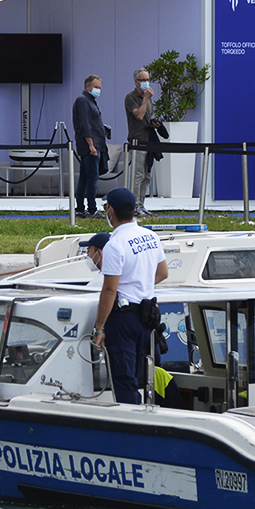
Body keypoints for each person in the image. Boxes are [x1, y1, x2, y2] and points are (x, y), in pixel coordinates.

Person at [91, 187, 169, 404]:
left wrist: (99, 328)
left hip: (123, 319)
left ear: (111, 211)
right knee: (140, 376)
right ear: (134, 210)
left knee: (124, 380)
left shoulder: (115, 244)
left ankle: (131, 426)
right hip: (147, 317)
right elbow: (163, 273)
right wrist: (141, 283)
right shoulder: (151, 236)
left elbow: (109, 290)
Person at [73, 74, 107, 218]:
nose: (98, 90)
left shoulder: (90, 101)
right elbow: (85, 125)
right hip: (90, 146)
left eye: (99, 87)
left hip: (95, 143)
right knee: (91, 178)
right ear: (88, 87)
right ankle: (91, 209)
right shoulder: (83, 101)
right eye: (96, 87)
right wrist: (91, 145)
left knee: (85, 177)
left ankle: (81, 208)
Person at [125, 68, 155, 217]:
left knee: (147, 175)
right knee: (138, 174)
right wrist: (145, 99)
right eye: (143, 80)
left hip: (148, 140)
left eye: (147, 79)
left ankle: (142, 205)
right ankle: (135, 207)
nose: (146, 82)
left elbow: (149, 117)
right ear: (136, 82)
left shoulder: (149, 99)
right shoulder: (131, 98)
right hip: (137, 140)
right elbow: (139, 115)